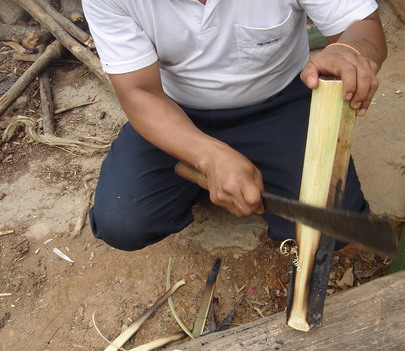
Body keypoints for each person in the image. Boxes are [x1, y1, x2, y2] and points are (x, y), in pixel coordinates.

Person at [82, 0, 387, 251]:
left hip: (279, 103)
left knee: (332, 230)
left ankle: (234, 175)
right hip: (174, 113)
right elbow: (140, 92)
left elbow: (362, 26)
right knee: (124, 222)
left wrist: (353, 52)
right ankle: (213, 176)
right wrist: (208, 155)